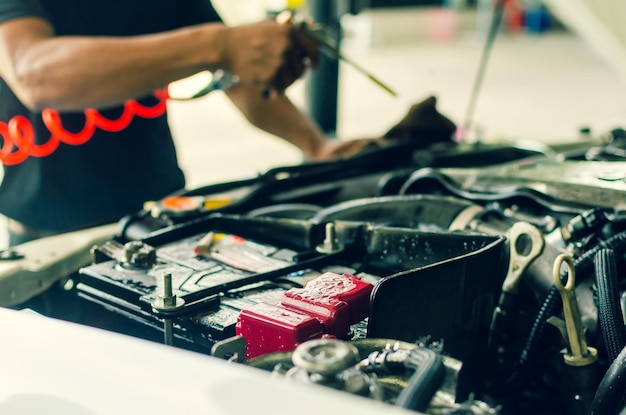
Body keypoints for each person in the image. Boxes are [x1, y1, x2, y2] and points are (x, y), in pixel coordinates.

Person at [0, 0, 381, 247]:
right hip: (47, 239)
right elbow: (35, 73)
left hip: (158, 217)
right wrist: (219, 45)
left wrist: (314, 144)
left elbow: (240, 79)